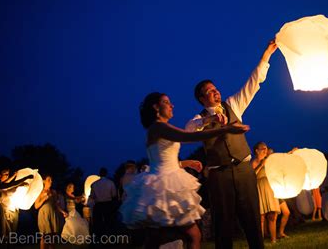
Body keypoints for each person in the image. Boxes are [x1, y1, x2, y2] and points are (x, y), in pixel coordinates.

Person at [119, 92, 250, 249]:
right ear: (156, 107)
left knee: (162, 238)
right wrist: (225, 129)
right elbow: (187, 136)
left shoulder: (161, 128)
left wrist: (185, 163)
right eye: (167, 102)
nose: (172, 105)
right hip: (162, 188)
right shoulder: (158, 127)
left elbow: (162, 159)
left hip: (166, 182)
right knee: (188, 235)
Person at [185, 39, 278, 249]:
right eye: (210, 91)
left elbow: (254, 83)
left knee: (252, 221)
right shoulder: (198, 119)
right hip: (220, 176)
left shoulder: (233, 104)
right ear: (201, 99)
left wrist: (266, 56)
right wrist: (211, 120)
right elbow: (189, 130)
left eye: (216, 89)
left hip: (245, 170)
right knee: (223, 225)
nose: (216, 92)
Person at [251, 142, 280, 244]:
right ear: (257, 150)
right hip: (259, 187)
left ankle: (274, 239)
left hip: (269, 187)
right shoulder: (253, 162)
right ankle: (260, 241)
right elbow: (251, 177)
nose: (265, 150)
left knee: (272, 215)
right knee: (261, 217)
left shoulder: (269, 160)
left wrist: (291, 152)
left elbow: (280, 159)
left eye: (266, 148)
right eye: (263, 148)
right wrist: (260, 165)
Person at [35, 175, 67, 249]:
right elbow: (36, 206)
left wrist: (63, 212)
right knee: (45, 236)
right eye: (49, 180)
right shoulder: (39, 192)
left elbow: (56, 204)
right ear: (44, 181)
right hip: (44, 215)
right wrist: (44, 198)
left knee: (52, 237)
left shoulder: (53, 192)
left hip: (53, 214)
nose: (51, 181)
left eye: (51, 180)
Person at [89, 167, 117, 237]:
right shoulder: (111, 183)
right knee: (108, 222)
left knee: (98, 223)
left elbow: (92, 196)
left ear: (99, 174)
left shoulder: (94, 184)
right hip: (108, 204)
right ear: (106, 174)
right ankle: (109, 237)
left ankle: (100, 238)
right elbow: (114, 195)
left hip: (98, 205)